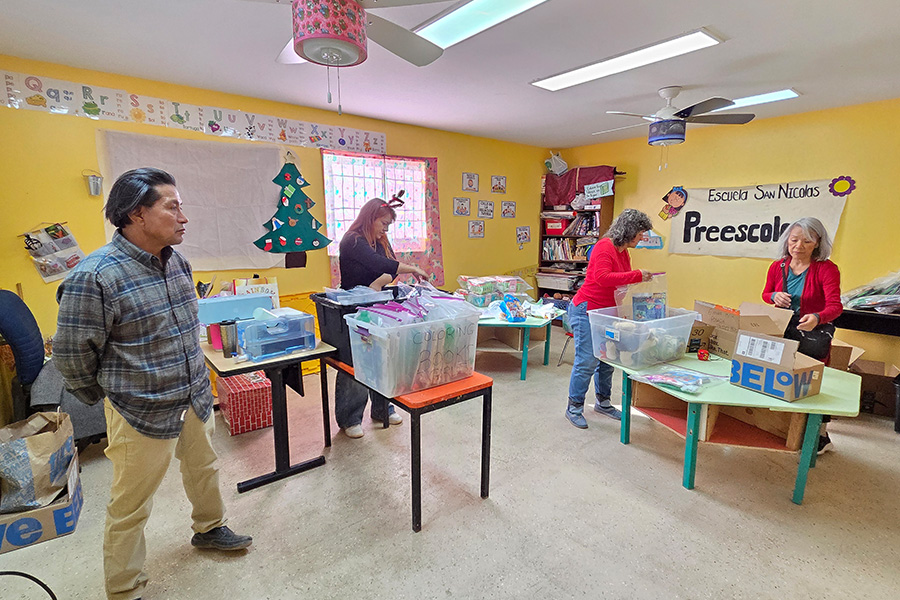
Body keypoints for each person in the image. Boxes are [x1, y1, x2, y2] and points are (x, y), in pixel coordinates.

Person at [54, 168, 251, 600]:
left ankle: (209, 528)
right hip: (139, 408)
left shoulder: (177, 262)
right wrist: (107, 396)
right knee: (131, 502)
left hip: (193, 395)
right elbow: (71, 354)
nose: (184, 217)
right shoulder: (95, 276)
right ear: (137, 214)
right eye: (172, 206)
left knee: (204, 468)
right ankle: (125, 588)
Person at [336, 196, 428, 438]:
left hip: (377, 304)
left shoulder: (381, 241)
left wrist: (378, 283)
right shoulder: (352, 240)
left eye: (388, 225)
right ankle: (350, 417)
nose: (385, 230)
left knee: (381, 357)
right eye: (383, 224)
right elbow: (378, 263)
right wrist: (412, 268)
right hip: (354, 307)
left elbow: (388, 267)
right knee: (356, 360)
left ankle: (382, 409)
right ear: (370, 218)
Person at [565, 208, 654, 429]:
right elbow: (602, 277)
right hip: (586, 310)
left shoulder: (624, 252)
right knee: (587, 360)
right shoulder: (604, 247)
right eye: (640, 233)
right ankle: (574, 408)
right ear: (629, 231)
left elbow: (620, 282)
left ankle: (603, 403)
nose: (642, 238)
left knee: (607, 359)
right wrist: (637, 275)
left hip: (607, 312)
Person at [762, 216, 842, 454]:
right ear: (787, 240)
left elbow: (836, 307)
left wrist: (817, 317)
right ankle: (787, 428)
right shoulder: (778, 267)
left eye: (807, 241)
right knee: (783, 377)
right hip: (784, 329)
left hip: (813, 332)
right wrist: (774, 296)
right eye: (794, 240)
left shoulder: (826, 269)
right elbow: (765, 293)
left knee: (812, 382)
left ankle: (821, 435)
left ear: (817, 243)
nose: (798, 246)